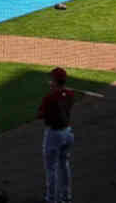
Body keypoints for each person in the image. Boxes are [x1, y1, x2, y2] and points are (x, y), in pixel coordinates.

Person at [37, 67, 78, 203]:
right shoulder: (70, 94)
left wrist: (53, 93)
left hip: (54, 135)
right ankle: (66, 197)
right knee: (64, 165)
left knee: (51, 169)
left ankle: (51, 199)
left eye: (51, 78)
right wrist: (58, 91)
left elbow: (40, 115)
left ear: (55, 80)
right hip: (67, 133)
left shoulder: (50, 97)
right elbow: (64, 99)